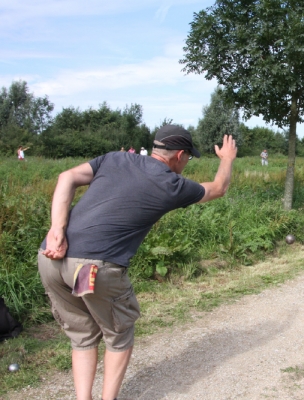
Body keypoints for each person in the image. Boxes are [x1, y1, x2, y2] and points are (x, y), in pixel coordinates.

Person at [38, 125, 237, 400]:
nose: (186, 163)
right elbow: (218, 188)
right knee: (118, 336)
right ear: (179, 155)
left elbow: (66, 177)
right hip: (91, 268)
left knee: (82, 335)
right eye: (188, 157)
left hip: (50, 258)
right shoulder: (172, 185)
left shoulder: (115, 159)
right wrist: (226, 159)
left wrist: (57, 228)